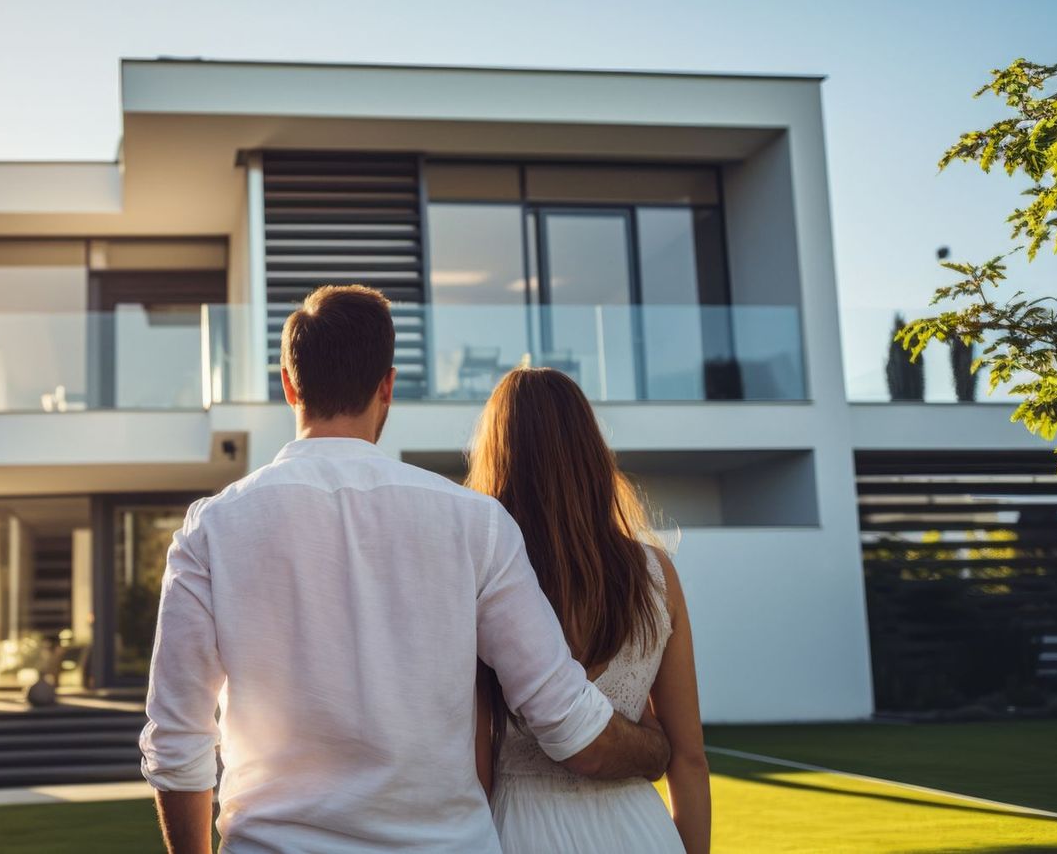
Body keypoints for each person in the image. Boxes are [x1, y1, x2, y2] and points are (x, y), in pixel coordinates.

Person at [140, 285, 670, 854]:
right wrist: (656, 750)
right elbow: (568, 724)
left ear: (289, 384)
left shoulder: (212, 529)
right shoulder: (476, 524)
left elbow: (177, 745)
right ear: (387, 386)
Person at [470, 367, 711, 854]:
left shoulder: (485, 575)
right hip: (639, 831)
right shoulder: (654, 573)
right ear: (591, 453)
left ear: (498, 456)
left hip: (520, 829)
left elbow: (474, 764)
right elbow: (689, 759)